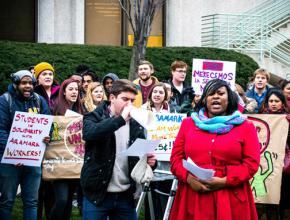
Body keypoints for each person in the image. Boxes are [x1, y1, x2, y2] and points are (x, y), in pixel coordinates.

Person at [170, 79, 260, 219]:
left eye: (220, 93)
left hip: (230, 197)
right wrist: (189, 179)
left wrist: (225, 181)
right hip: (192, 194)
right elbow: (175, 159)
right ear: (205, 99)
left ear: (229, 98)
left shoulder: (246, 127)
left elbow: (251, 164)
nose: (216, 96)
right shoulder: (188, 124)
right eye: (211, 94)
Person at [81, 79, 157, 220]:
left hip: (125, 195)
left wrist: (151, 162)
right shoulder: (94, 117)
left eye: (132, 100)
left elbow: (138, 154)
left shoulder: (135, 123)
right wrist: (120, 120)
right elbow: (91, 133)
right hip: (97, 193)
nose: (129, 105)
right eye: (124, 99)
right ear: (112, 98)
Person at [0, 70, 51, 220]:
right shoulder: (5, 100)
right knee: (7, 201)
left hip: (32, 161)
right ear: (15, 84)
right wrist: (13, 154)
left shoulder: (39, 100)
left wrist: (47, 136)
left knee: (31, 202)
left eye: (30, 83)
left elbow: (49, 124)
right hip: (9, 161)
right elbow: (1, 129)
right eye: (24, 83)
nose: (28, 86)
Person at [49, 78, 84, 220]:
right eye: (71, 89)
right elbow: (51, 132)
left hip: (75, 161)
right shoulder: (55, 108)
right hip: (59, 161)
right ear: (63, 92)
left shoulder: (81, 110)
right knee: (62, 199)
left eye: (76, 89)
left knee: (69, 200)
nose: (74, 92)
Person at [33, 61, 60, 220]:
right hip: (37, 144)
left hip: (55, 145)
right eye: (44, 74)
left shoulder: (59, 92)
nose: (48, 76)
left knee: (51, 187)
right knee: (37, 188)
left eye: (50, 73)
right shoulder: (33, 93)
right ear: (37, 77)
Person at [259, 89, 290, 220]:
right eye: (270, 101)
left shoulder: (288, 119)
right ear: (266, 103)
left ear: (282, 103)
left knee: (286, 200)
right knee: (270, 201)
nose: (273, 104)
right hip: (267, 165)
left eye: (276, 101)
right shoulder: (260, 119)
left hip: (285, 168)